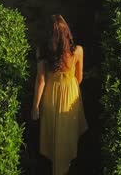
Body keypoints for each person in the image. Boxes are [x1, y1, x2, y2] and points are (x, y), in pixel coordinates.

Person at [31, 14, 88, 175]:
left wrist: (35, 106)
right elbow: (79, 77)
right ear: (67, 33)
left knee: (53, 130)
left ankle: (53, 161)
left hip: (51, 95)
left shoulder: (42, 51)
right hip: (70, 93)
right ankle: (67, 162)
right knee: (67, 130)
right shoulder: (77, 51)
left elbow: (40, 80)